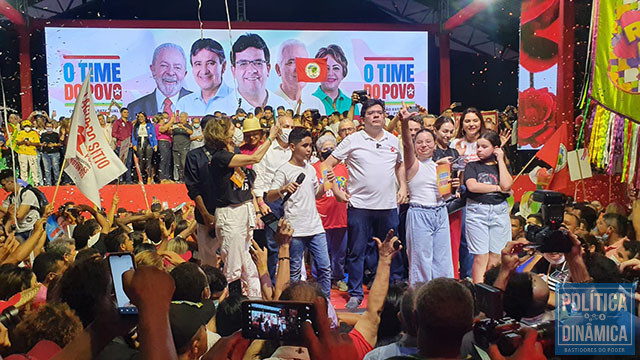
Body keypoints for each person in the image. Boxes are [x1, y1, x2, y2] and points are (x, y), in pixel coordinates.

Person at [323, 98, 408, 311]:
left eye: (380, 112)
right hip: (359, 206)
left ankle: (391, 292)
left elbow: (400, 166)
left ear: (384, 115)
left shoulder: (392, 139)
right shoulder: (353, 140)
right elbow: (327, 164)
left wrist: (403, 187)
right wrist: (336, 191)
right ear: (363, 118)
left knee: (391, 250)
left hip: (387, 205)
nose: (376, 115)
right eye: (371, 112)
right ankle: (355, 293)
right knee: (357, 252)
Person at [205, 117, 278, 297]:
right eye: (232, 128)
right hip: (231, 214)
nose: (235, 131)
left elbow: (248, 187)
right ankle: (232, 309)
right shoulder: (220, 158)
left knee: (250, 267)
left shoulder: (234, 154)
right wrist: (271, 137)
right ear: (223, 134)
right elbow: (256, 157)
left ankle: (254, 301)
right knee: (233, 269)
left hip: (244, 212)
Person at [266, 128, 343, 297]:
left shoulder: (310, 169)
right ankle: (294, 303)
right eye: (305, 145)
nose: (309, 149)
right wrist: (283, 188)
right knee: (294, 271)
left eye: (310, 146)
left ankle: (326, 303)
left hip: (315, 226)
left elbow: (315, 193)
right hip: (295, 228)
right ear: (292, 147)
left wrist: (326, 184)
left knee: (324, 268)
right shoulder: (283, 170)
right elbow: (269, 196)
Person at [399, 107, 454, 284]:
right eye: (419, 142)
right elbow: (406, 144)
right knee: (420, 263)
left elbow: (444, 196)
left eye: (428, 141)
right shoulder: (413, 165)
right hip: (420, 213)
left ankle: (443, 299)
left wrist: (452, 188)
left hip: (441, 212)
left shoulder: (440, 167)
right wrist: (404, 122)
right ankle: (419, 302)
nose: (424, 145)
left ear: (434, 143)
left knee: (443, 261)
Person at [464, 131, 513, 283]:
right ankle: (478, 290)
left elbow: (507, 184)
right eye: (478, 146)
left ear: (495, 148)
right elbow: (472, 186)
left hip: (499, 211)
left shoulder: (502, 166)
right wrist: (498, 189)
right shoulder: (472, 166)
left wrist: (500, 159)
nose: (479, 150)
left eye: (484, 146)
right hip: (478, 211)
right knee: (480, 255)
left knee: (496, 254)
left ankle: (492, 288)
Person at [253, 115, 295, 281]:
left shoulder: (295, 149)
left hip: (293, 201)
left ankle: (291, 279)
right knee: (272, 243)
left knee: (293, 241)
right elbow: (258, 179)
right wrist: (261, 202)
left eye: (292, 127)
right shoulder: (267, 150)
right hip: (271, 202)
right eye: (286, 126)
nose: (289, 131)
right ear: (277, 128)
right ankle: (269, 281)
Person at [313, 133, 349, 291]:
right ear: (319, 151)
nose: (329, 151)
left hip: (341, 216)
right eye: (325, 149)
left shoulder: (343, 168)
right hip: (321, 217)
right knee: (321, 252)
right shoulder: (314, 169)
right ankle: (319, 280)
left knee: (340, 253)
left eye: (332, 148)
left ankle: (338, 278)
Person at [128, 43, 192, 117]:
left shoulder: (198, 104)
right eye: (164, 66)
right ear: (153, 70)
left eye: (177, 67)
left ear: (185, 73)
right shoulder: (134, 108)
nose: (170, 72)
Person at [177, 38, 237, 116]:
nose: (204, 71)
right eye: (198, 64)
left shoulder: (237, 99)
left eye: (210, 63)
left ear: (223, 66)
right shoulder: (184, 104)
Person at [230, 33, 286, 113]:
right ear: (233, 70)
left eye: (258, 63)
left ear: (268, 69)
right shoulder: (220, 107)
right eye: (243, 63)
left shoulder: (283, 105)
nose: (252, 70)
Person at [273, 39, 324, 111]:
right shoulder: (269, 103)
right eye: (291, 62)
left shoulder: (316, 104)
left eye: (303, 61)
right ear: (278, 69)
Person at [310, 44, 354, 115]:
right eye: (326, 68)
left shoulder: (351, 104)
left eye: (336, 68)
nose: (330, 73)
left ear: (343, 72)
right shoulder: (309, 102)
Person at [0, 169, 42, 241]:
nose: (3, 188)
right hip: (19, 231)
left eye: (4, 185)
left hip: (31, 229)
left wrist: (8, 212)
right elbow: (1, 214)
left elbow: (19, 215)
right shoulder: (10, 198)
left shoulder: (27, 194)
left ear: (11, 182)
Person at [131, 112, 158, 184]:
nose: (141, 118)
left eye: (142, 117)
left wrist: (155, 144)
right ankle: (141, 178)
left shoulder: (150, 125)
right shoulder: (136, 126)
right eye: (139, 117)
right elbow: (133, 136)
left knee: (149, 160)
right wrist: (134, 144)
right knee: (140, 160)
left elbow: (154, 135)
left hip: (148, 142)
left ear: (145, 117)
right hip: (139, 142)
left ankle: (149, 177)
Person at [15, 120, 41, 185]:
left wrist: (31, 143)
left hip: (32, 153)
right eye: (25, 126)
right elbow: (17, 142)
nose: (27, 127)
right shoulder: (20, 133)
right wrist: (23, 142)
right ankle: (24, 183)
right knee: (23, 168)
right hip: (22, 153)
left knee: (34, 168)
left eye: (28, 126)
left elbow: (38, 143)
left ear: (30, 126)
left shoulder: (34, 133)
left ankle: (36, 182)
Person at [112, 108, 133, 183]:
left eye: (127, 112)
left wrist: (131, 142)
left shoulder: (130, 124)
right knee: (120, 163)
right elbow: (114, 133)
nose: (126, 114)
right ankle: (119, 179)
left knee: (128, 163)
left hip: (129, 145)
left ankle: (128, 179)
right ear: (121, 113)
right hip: (120, 145)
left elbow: (131, 134)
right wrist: (123, 138)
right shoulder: (117, 122)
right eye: (125, 112)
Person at [39, 119, 62, 186]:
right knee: (47, 169)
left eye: (50, 127)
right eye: (47, 126)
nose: (49, 128)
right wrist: (43, 144)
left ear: (52, 127)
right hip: (45, 153)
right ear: (45, 127)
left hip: (54, 153)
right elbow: (40, 143)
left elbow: (60, 144)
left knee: (56, 168)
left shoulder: (56, 135)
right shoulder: (43, 134)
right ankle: (48, 183)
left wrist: (54, 144)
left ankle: (57, 182)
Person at [172, 112, 193, 182]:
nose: (181, 118)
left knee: (183, 164)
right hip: (175, 147)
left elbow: (191, 132)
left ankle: (185, 178)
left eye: (183, 117)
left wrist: (183, 127)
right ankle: (178, 178)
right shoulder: (175, 125)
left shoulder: (188, 126)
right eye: (180, 117)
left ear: (187, 118)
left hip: (184, 148)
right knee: (177, 164)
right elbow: (170, 131)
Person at [156, 111, 174, 183]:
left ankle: (167, 177)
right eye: (163, 119)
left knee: (168, 160)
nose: (165, 120)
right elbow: (163, 129)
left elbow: (169, 132)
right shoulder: (158, 126)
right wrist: (171, 120)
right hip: (162, 143)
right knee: (163, 160)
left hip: (168, 143)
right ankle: (162, 177)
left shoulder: (166, 126)